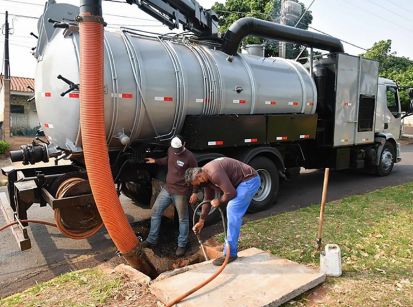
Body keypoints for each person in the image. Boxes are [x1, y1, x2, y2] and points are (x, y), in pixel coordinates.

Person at [185, 157, 261, 266]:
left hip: (250, 180)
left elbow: (231, 193)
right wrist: (201, 220)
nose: (197, 185)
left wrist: (219, 200)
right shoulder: (205, 179)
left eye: (196, 182)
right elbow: (207, 200)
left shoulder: (213, 172)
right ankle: (230, 250)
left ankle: (230, 253)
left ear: (199, 176)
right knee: (231, 208)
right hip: (241, 182)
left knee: (232, 208)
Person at [142, 136, 198, 256]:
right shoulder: (171, 149)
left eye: (178, 149)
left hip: (181, 192)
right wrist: (155, 161)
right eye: (174, 149)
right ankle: (152, 239)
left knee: (183, 219)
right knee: (156, 212)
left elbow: (195, 176)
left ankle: (182, 244)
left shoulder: (190, 157)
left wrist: (194, 192)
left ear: (184, 143)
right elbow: (168, 160)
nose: (176, 152)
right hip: (168, 188)